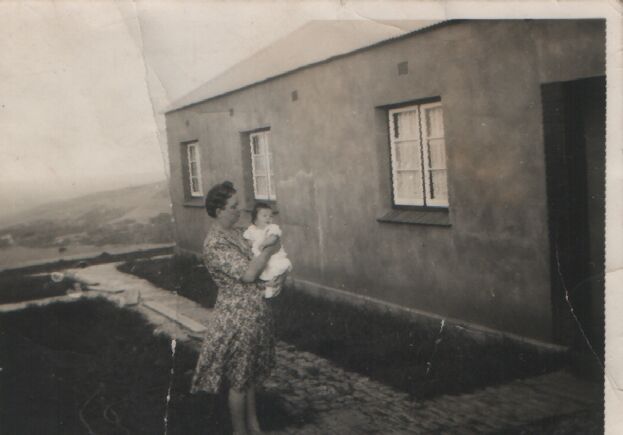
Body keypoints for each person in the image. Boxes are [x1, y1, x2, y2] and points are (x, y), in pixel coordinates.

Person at [190, 181, 285, 435]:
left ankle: (254, 427)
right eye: (233, 206)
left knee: (248, 374)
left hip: (254, 311)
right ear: (219, 211)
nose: (239, 210)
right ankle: (240, 431)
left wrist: (270, 252)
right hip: (237, 317)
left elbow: (271, 244)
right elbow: (249, 273)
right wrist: (268, 250)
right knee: (239, 381)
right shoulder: (215, 244)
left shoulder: (239, 232)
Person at [243, 202, 292, 298]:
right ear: (255, 219)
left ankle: (271, 289)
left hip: (274, 256)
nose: (268, 218)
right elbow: (248, 241)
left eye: (270, 216)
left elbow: (273, 238)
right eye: (264, 216)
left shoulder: (272, 228)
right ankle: (265, 290)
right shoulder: (251, 229)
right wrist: (251, 246)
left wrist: (264, 244)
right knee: (261, 272)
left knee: (274, 271)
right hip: (259, 256)